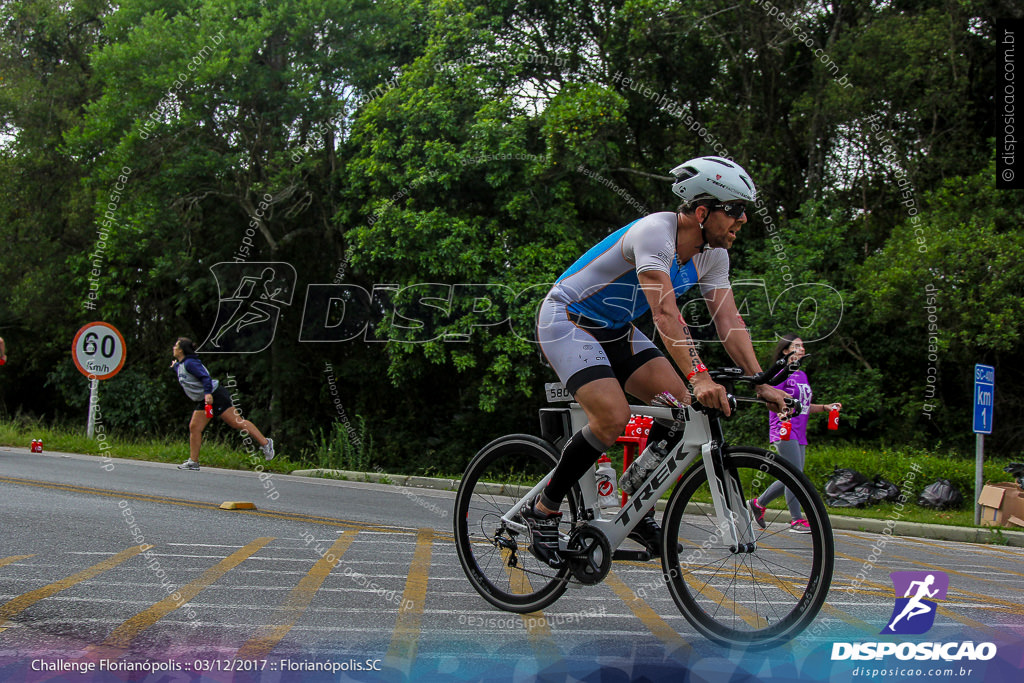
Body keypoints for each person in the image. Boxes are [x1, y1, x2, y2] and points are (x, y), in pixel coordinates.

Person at [528, 155, 790, 566]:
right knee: (612, 419)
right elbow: (665, 314)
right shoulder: (655, 232)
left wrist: (759, 379)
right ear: (703, 212)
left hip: (615, 329)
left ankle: (637, 507)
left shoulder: (713, 256)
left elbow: (729, 321)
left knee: (682, 411)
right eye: (735, 210)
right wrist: (699, 375)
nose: (743, 221)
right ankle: (543, 509)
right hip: (568, 320)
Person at [747, 334, 841, 533]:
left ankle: (758, 503)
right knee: (795, 475)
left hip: (800, 432)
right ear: (785, 351)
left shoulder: (802, 375)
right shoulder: (781, 373)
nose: (802, 349)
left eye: (803, 346)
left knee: (793, 475)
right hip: (784, 430)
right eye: (797, 346)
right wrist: (781, 412)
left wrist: (825, 407)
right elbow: (768, 400)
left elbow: (804, 407)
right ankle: (796, 520)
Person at [170, 337, 274, 470]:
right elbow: (182, 370)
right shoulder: (182, 364)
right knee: (195, 427)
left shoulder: (191, 363)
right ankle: (193, 462)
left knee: (237, 422)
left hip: (214, 396)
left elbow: (205, 377)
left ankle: (266, 443)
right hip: (206, 400)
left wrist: (208, 393)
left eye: (176, 345)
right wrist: (175, 366)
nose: (173, 348)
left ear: (181, 350)